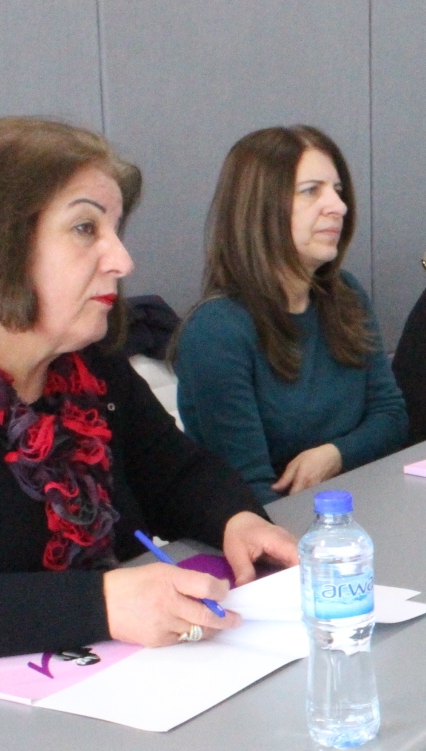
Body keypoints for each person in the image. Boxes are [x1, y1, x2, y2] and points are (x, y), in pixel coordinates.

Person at [0, 118, 298, 666]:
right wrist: (102, 604)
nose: (121, 260)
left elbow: (174, 473)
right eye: (84, 228)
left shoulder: (85, 361)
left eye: (115, 230)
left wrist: (237, 520)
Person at [173, 126, 407, 505]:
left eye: (338, 190)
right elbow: (250, 490)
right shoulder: (216, 331)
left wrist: (333, 455)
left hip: (358, 504)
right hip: (276, 526)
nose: (339, 206)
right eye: (311, 190)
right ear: (259, 208)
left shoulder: (344, 295)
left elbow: (391, 418)